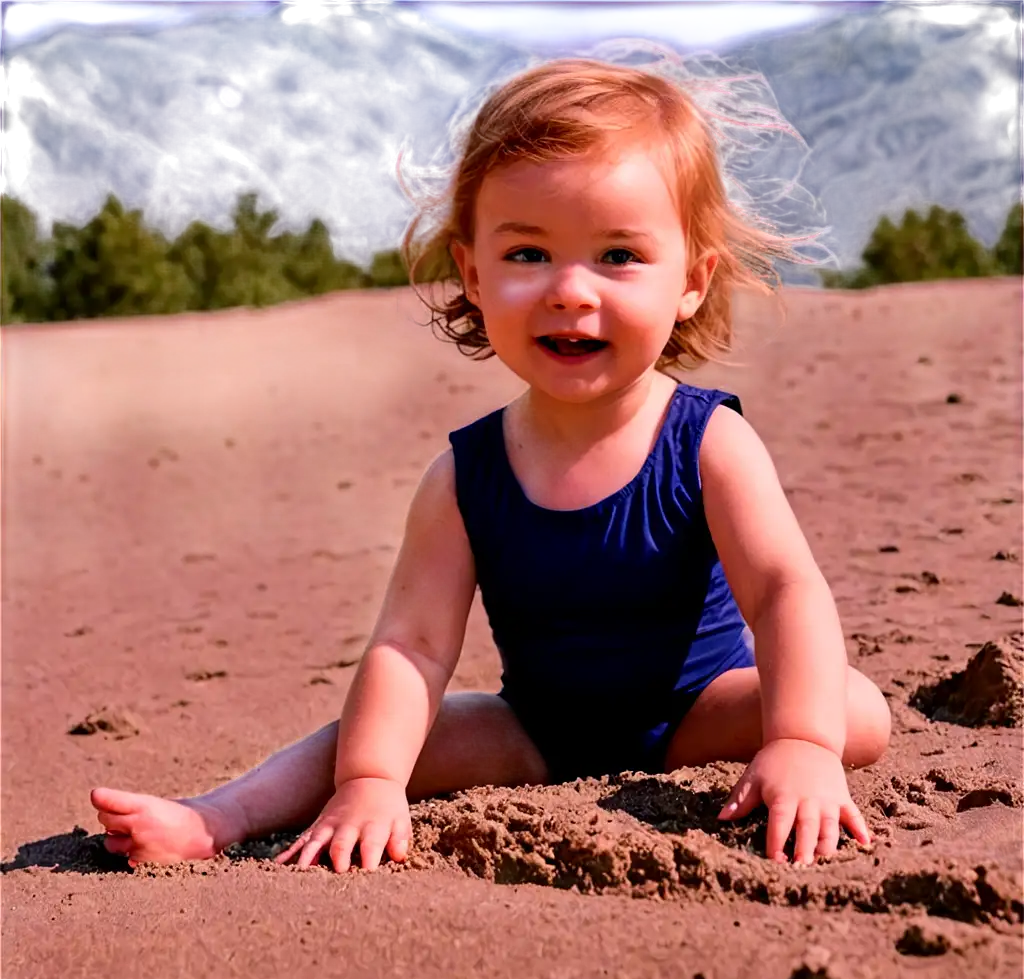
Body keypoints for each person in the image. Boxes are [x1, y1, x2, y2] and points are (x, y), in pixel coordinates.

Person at [91, 42, 891, 875]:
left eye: (618, 255)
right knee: (366, 743)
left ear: (691, 278)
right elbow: (413, 647)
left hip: (701, 712)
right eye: (527, 254)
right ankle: (215, 817)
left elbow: (783, 590)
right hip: (535, 732)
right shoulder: (465, 479)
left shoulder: (708, 443)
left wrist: (800, 742)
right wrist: (372, 780)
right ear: (471, 274)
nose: (570, 290)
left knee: (853, 713)